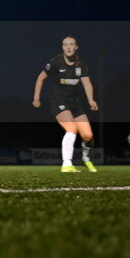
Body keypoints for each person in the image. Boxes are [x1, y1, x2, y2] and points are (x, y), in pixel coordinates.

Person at [32, 36, 99, 173]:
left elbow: (87, 83)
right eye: (65, 45)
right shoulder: (56, 62)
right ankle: (66, 164)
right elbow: (40, 78)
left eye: (71, 44)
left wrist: (91, 100)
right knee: (71, 129)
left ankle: (86, 159)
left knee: (88, 135)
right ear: (62, 47)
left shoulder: (81, 64)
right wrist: (36, 98)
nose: (68, 47)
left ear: (76, 47)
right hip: (59, 102)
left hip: (75, 103)